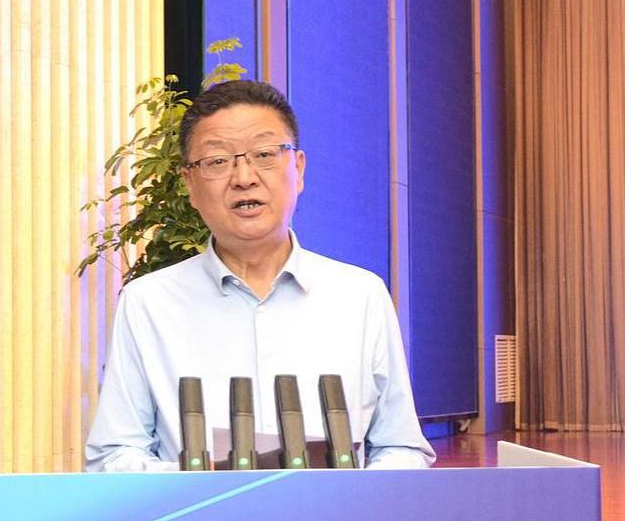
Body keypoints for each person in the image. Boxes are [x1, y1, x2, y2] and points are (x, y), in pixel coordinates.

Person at [84, 80, 434, 472]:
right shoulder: (147, 303)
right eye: (217, 161)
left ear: (298, 169)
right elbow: (113, 455)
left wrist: (347, 493)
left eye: (264, 154)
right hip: (201, 514)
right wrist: (209, 483)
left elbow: (402, 447)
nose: (244, 177)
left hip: (335, 513)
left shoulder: (360, 295)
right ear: (190, 185)